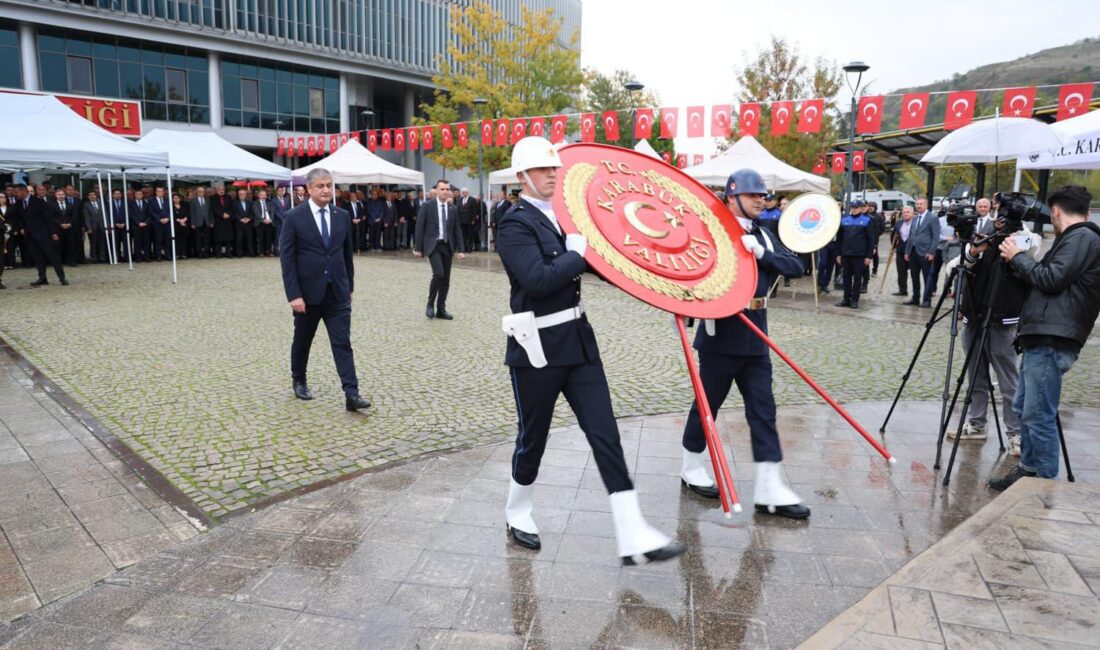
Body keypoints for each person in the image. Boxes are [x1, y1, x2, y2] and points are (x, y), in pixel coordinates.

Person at [496, 136, 683, 564]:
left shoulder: (564, 215)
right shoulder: (513, 222)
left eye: (554, 169)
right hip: (538, 348)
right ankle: (518, 509)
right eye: (543, 170)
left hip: (579, 341)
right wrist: (578, 254)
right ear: (522, 175)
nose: (552, 175)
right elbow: (539, 280)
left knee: (605, 433)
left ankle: (632, 530)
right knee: (533, 439)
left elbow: (601, 264)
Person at [680, 168, 808, 518]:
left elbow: (795, 266)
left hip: (756, 335)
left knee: (764, 410)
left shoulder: (764, 234)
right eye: (752, 196)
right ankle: (690, 465)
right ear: (732, 197)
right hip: (720, 335)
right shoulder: (713, 233)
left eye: (761, 196)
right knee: (707, 408)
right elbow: (692, 275)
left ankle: (770, 487)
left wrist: (762, 254)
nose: (759, 201)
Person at [989, 186, 1100, 490]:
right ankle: (1028, 469)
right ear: (1086, 211)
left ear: (1055, 212)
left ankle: (1043, 487)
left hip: (1054, 336)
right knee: (1027, 406)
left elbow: (1050, 279)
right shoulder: (1075, 239)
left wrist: (1018, 258)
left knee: (1038, 413)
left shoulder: (1083, 238)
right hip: (1043, 334)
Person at [948, 208, 1041, 455]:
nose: (999, 221)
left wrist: (1015, 239)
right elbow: (955, 267)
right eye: (998, 215)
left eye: (1004, 216)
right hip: (974, 317)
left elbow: (1032, 258)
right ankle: (977, 423)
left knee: (1009, 380)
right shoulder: (983, 239)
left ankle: (1016, 432)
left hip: (1003, 320)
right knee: (975, 375)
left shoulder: (1025, 240)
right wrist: (973, 249)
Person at [279, 168, 370, 413]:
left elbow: (346, 254)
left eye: (329, 185)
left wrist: (349, 285)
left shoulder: (341, 216)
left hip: (337, 292)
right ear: (308, 189)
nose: (326, 190)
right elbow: (287, 260)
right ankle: (299, 379)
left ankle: (352, 393)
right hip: (307, 295)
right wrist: (294, 294)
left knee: (342, 343)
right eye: (320, 186)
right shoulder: (294, 217)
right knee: (303, 339)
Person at [413, 179, 465, 319]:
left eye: (447, 189)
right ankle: (430, 304)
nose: (445, 192)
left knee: (446, 279)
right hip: (433, 245)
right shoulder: (427, 206)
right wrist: (418, 248)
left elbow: (457, 230)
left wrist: (461, 250)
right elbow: (419, 227)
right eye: (442, 189)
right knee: (439, 274)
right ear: (436, 190)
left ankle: (441, 309)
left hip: (447, 246)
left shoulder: (452, 209)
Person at [22, 184, 68, 286]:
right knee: (38, 257)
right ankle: (42, 277)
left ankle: (62, 277)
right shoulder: (21, 203)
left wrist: (53, 233)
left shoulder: (39, 202)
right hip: (31, 235)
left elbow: (48, 218)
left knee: (53, 256)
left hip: (44, 234)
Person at [835, 199, 875, 309]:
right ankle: (846, 299)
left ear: (861, 208)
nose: (854, 209)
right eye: (852, 207)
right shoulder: (844, 220)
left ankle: (855, 300)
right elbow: (839, 239)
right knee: (846, 278)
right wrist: (838, 254)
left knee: (857, 279)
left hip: (860, 255)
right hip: (846, 254)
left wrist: (869, 256)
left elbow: (871, 240)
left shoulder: (867, 221)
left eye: (856, 207)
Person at [905, 198, 940, 307]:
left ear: (926, 205)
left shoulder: (932, 218)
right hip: (913, 252)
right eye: (917, 204)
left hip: (925, 252)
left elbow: (935, 236)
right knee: (914, 276)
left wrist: (931, 252)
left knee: (927, 277)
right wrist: (907, 251)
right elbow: (911, 236)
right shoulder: (915, 218)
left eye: (921, 204)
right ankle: (915, 298)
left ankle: (927, 300)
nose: (918, 206)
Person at [891, 205, 914, 297]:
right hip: (900, 250)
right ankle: (902, 290)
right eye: (904, 212)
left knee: (914, 272)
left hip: (913, 251)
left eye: (907, 212)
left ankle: (916, 292)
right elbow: (893, 235)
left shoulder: (916, 223)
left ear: (912, 213)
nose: (905, 214)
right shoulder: (898, 223)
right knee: (901, 271)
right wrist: (893, 247)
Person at [83, 190, 108, 263]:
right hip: (92, 227)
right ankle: (94, 258)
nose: (92, 196)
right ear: (88, 197)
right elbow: (86, 217)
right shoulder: (86, 205)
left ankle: (102, 258)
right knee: (93, 243)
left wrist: (107, 225)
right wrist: (89, 228)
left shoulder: (101, 203)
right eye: (90, 195)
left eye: (93, 195)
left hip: (102, 226)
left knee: (102, 242)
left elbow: (106, 215)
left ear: (96, 195)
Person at [211, 185, 234, 258]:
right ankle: (218, 253)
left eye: (223, 189)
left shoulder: (228, 197)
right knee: (218, 238)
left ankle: (228, 253)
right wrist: (222, 214)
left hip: (228, 220)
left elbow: (232, 207)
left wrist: (228, 214)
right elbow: (213, 209)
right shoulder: (212, 198)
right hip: (218, 220)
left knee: (228, 238)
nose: (221, 190)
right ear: (216, 190)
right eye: (219, 189)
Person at [149, 187, 172, 261]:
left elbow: (170, 210)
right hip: (157, 223)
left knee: (167, 239)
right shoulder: (152, 201)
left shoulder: (167, 200)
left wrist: (168, 218)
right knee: (158, 239)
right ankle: (158, 255)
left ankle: (168, 254)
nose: (160, 193)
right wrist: (159, 219)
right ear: (156, 192)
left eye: (162, 191)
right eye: (159, 191)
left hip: (167, 223)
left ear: (164, 192)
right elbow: (151, 212)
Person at [231, 187, 255, 257]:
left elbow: (252, 213)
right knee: (239, 239)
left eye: (243, 194)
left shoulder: (250, 202)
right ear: (238, 195)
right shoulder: (234, 203)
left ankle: (251, 252)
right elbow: (234, 213)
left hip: (248, 223)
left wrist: (249, 219)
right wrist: (240, 219)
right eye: (240, 194)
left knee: (250, 238)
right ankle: (239, 253)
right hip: (239, 224)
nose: (242, 195)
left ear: (246, 195)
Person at [190, 186, 212, 259]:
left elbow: (210, 212)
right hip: (197, 222)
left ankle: (206, 252)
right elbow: (192, 213)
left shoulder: (208, 200)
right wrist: (192, 223)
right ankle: (199, 253)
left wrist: (211, 221)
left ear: (204, 192)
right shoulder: (193, 201)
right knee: (198, 238)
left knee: (206, 238)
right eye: (199, 191)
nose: (201, 193)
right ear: (197, 192)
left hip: (206, 222)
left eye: (202, 191)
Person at [252, 189, 276, 256]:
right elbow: (256, 213)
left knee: (269, 238)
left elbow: (272, 212)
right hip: (260, 223)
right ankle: (261, 252)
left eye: (265, 195)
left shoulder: (270, 203)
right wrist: (263, 220)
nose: (264, 196)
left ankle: (268, 251)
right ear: (258, 196)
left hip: (269, 222)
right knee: (260, 238)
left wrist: (270, 219)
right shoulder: (255, 203)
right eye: (262, 195)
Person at [272, 185, 292, 257]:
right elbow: (275, 211)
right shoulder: (273, 200)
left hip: (286, 221)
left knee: (285, 237)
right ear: (277, 192)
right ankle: (276, 251)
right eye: (279, 191)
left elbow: (289, 209)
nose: (281, 192)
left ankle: (284, 250)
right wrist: (282, 219)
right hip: (278, 222)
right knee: (277, 237)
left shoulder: (286, 199)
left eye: (282, 191)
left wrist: (287, 218)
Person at [172, 193, 189, 259]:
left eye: (177, 198)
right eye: (174, 198)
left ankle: (184, 253)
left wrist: (185, 219)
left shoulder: (184, 205)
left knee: (184, 239)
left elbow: (188, 213)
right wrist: (179, 220)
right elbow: (172, 215)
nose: (176, 199)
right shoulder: (171, 206)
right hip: (176, 225)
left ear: (180, 198)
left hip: (184, 224)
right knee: (176, 240)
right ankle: (177, 254)